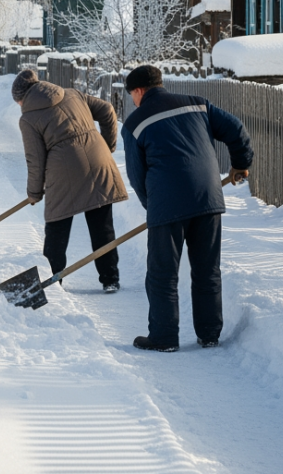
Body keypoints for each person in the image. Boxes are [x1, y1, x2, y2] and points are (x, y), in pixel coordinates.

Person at [121, 65, 251, 352]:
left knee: (162, 273)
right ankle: (209, 334)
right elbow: (236, 130)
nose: (133, 100)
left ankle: (164, 338)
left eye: (132, 94)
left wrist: (153, 207)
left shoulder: (134, 123)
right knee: (207, 269)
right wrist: (241, 163)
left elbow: (137, 176)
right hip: (208, 198)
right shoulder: (197, 104)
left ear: (139, 90)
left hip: (167, 203)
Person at [13, 69, 129, 292]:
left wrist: (34, 192)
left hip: (64, 171)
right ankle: (110, 279)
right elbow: (107, 110)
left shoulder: (28, 119)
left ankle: (53, 281)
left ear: (22, 98)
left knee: (57, 226)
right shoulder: (73, 94)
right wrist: (107, 146)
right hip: (99, 161)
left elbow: (35, 160)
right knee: (102, 226)